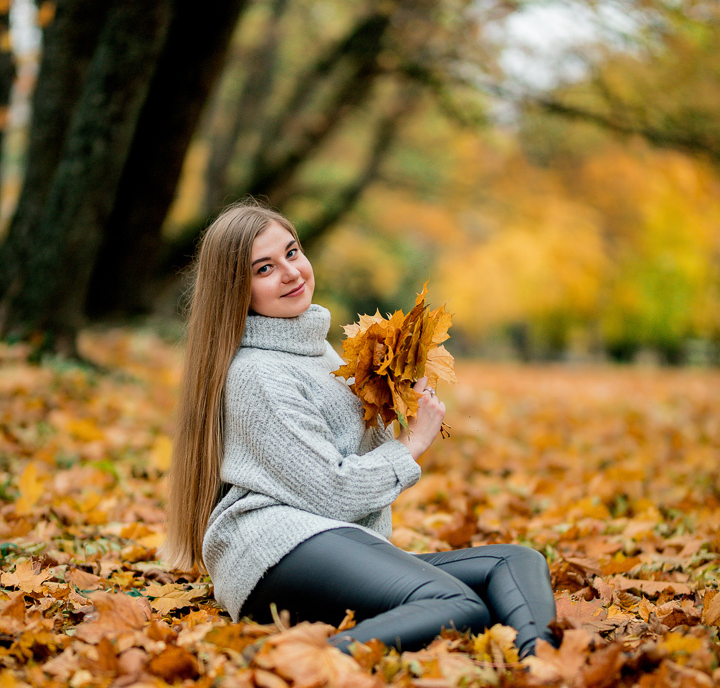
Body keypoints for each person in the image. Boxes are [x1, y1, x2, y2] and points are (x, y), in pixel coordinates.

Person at [163, 200, 557, 658]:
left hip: (323, 540)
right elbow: (332, 489)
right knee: (456, 606)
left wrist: (390, 397)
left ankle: (543, 667)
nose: (291, 273)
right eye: (264, 268)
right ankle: (288, 663)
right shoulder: (257, 373)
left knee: (515, 561)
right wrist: (410, 448)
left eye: (292, 253)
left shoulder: (317, 354)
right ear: (236, 290)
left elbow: (345, 463)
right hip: (273, 551)